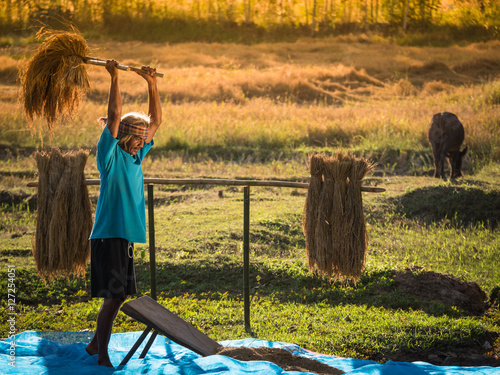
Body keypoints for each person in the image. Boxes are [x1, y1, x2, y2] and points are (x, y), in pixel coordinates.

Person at [85, 60, 162, 367]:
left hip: (124, 236)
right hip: (108, 236)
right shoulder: (110, 155)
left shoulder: (136, 157)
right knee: (115, 297)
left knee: (117, 296)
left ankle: (94, 344)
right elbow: (115, 116)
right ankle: (102, 355)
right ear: (127, 136)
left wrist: (151, 82)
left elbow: (156, 120)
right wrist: (114, 78)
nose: (145, 139)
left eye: (145, 137)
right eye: (140, 136)